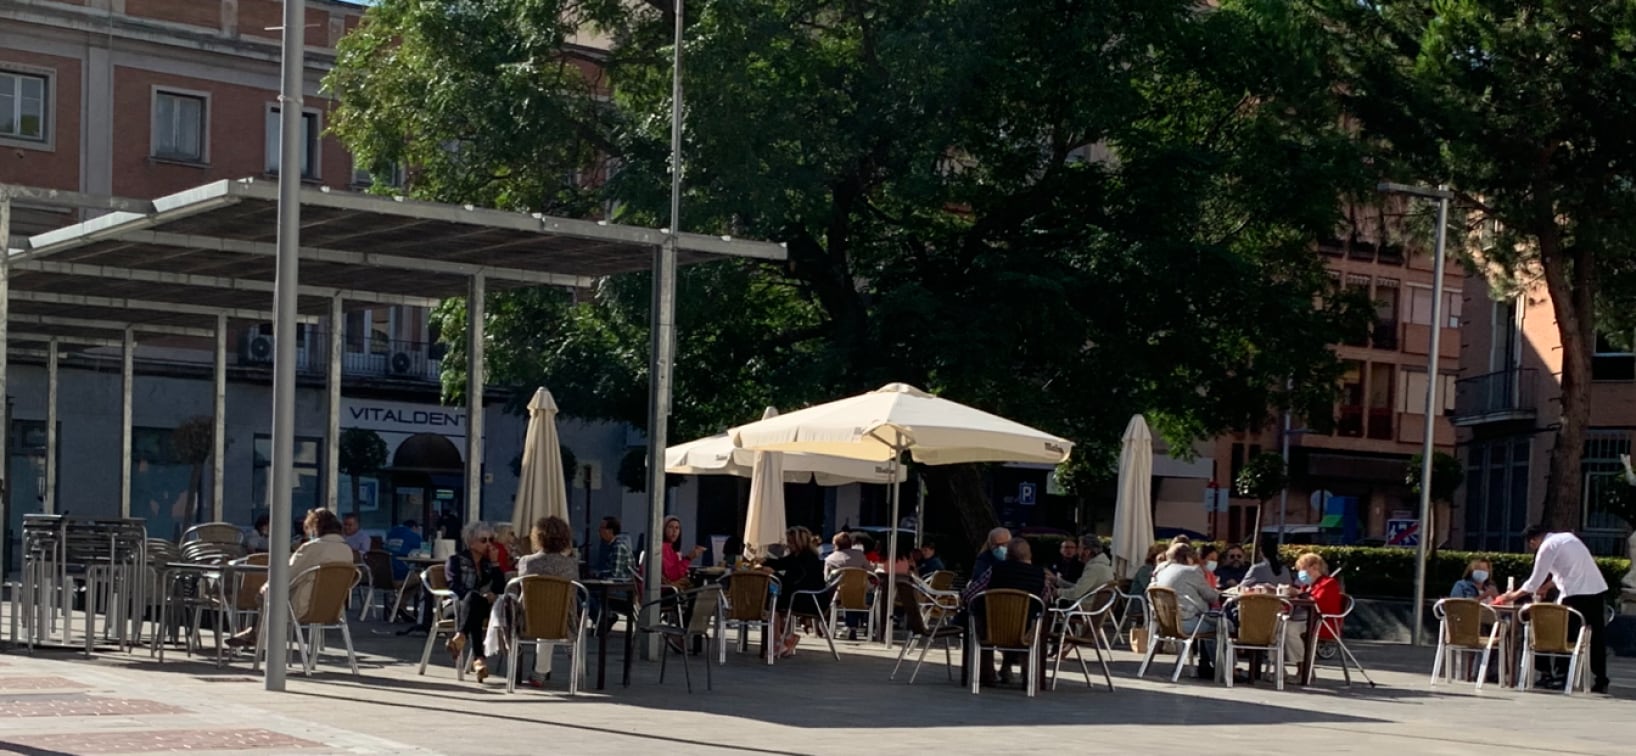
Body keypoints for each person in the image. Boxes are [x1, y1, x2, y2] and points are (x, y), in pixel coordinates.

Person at [1497, 526, 1611, 694]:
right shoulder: (1569, 538)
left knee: (1561, 634)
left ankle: (1561, 675)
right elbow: (1568, 571)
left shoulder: (1546, 547)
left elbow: (1534, 581)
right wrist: (1547, 586)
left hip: (1575, 594)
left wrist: (1512, 596)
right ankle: (1600, 678)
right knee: (1595, 637)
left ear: (1533, 540)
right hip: (1596, 590)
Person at [226, 509, 355, 648]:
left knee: (266, 595)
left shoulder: (312, 548)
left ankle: (259, 638)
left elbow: (287, 574)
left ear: (315, 527)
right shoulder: (347, 550)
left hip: (303, 606)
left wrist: (266, 587)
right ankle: (255, 633)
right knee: (273, 596)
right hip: (333, 608)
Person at [963, 538, 1050, 685]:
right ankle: (1030, 676)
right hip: (1026, 630)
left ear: (1008, 555)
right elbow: (1045, 601)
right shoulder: (1040, 576)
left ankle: (985, 674)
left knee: (977, 620)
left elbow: (971, 594)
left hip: (993, 628)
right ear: (1029, 555)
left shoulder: (995, 570)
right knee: (1036, 622)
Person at [444, 521, 506, 684]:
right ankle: (479, 659)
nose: (488, 544)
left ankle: (461, 637)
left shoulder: (487, 564)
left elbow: (500, 587)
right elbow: (453, 585)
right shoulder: (455, 560)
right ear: (471, 542)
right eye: (483, 540)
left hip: (481, 607)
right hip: (456, 606)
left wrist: (495, 563)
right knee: (473, 600)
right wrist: (475, 596)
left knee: (476, 605)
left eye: (490, 540)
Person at [1152, 542, 1220, 679]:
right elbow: (1211, 597)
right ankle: (1226, 670)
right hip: (1186, 623)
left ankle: (1207, 666)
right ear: (1188, 558)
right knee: (1221, 626)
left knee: (1210, 621)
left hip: (1165, 624)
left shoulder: (1160, 570)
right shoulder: (1192, 571)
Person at [763, 526, 825, 658]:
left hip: (806, 599)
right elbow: (781, 563)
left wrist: (773, 573)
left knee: (772, 605)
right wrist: (764, 561)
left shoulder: (805, 559)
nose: (788, 545)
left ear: (798, 542)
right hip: (809, 596)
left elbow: (792, 581)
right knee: (774, 601)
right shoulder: (800, 555)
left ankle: (778, 642)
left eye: (790, 542)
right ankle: (786, 637)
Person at [1285, 552, 1346, 681]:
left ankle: (1303, 670)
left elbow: (1318, 603)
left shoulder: (1328, 583)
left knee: (1290, 629)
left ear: (1315, 567)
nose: (1300, 573)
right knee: (1279, 626)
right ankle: (1280, 668)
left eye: (1303, 569)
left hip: (1323, 623)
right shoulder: (1308, 585)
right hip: (1307, 621)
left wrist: (1299, 594)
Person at [1057, 536, 1116, 604]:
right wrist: (1059, 582)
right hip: (1093, 607)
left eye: (1079, 547)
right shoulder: (1102, 566)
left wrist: (1058, 592)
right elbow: (1079, 588)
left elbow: (1076, 593)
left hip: (1085, 608)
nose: (1077, 551)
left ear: (1087, 551)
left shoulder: (1094, 569)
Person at [517, 516, 579, 580]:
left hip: (536, 590)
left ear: (537, 537)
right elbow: (573, 588)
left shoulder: (526, 561)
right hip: (559, 590)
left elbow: (520, 586)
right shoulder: (571, 563)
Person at [661, 516, 707, 589]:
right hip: (666, 590)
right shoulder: (663, 547)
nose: (674, 531)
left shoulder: (672, 549)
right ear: (663, 530)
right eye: (670, 527)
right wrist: (688, 558)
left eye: (677, 528)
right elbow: (672, 575)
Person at [596, 516, 636, 581]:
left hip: (622, 587)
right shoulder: (606, 545)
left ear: (610, 531)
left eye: (602, 528)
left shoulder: (618, 546)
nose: (599, 530)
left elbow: (615, 574)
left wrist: (599, 574)